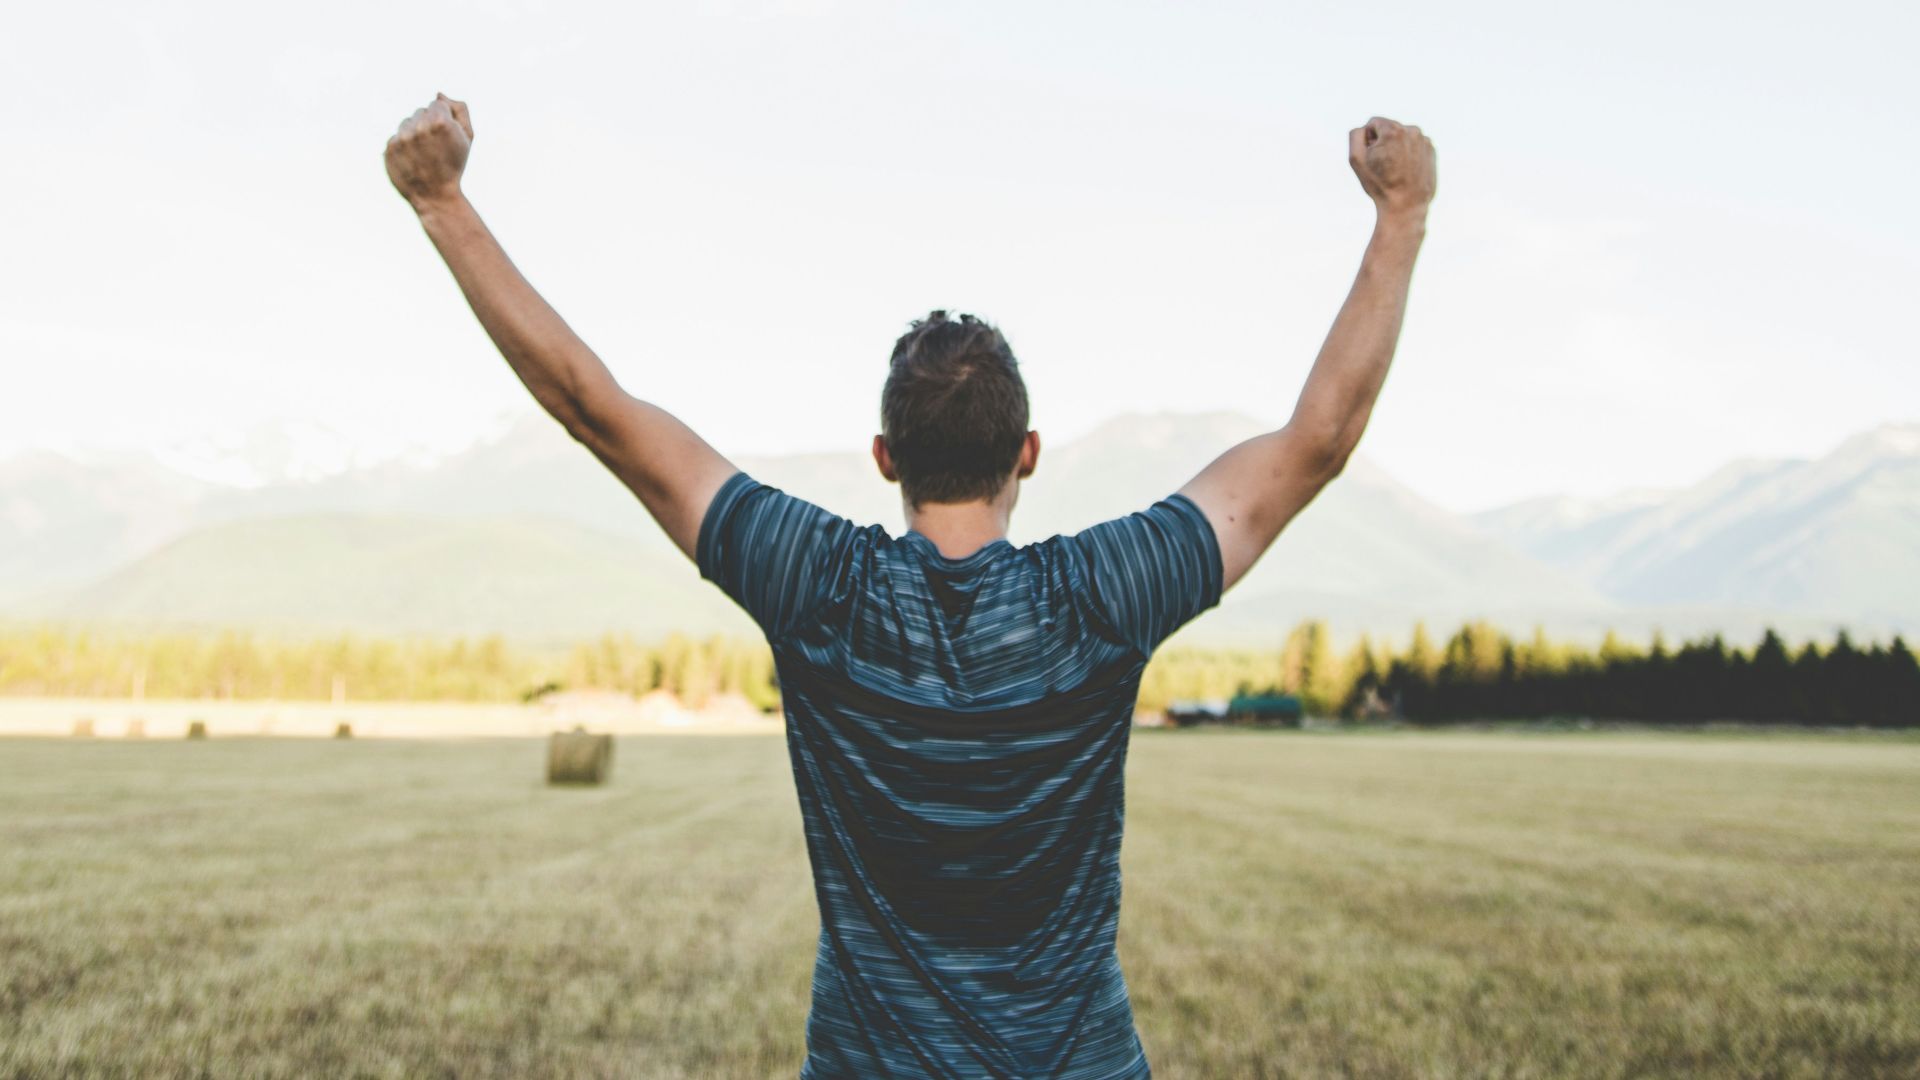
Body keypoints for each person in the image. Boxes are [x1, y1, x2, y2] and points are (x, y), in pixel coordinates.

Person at [385, 93, 1435, 1079]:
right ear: (1026, 452)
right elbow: (1317, 443)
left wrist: (444, 203)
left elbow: (592, 408)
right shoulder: (1102, 596)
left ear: (886, 455)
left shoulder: (817, 587)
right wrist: (1402, 214)